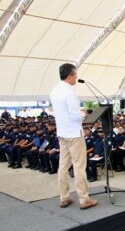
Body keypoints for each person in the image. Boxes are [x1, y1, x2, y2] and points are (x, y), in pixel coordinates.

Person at [50, 63, 97, 209]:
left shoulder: (54, 90)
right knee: (79, 166)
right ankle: (84, 199)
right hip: (74, 134)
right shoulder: (70, 92)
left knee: (63, 167)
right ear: (70, 76)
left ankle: (64, 197)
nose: (76, 77)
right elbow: (76, 115)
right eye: (75, 75)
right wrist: (84, 113)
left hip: (62, 133)